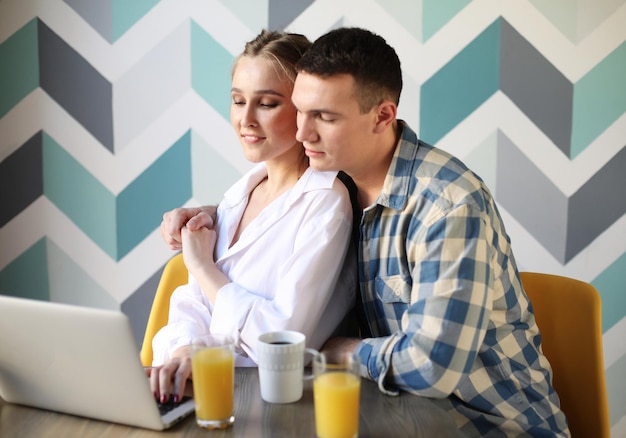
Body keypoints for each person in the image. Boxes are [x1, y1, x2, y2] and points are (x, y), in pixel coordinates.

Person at [162, 27, 570, 437]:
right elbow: (280, 216)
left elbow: (432, 366)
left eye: (325, 116)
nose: (303, 133)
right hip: (394, 418)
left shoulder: (448, 206)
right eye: (301, 111)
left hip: (486, 426)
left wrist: (338, 350)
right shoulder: (342, 183)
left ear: (382, 116)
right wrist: (214, 215)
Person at [149, 29, 357, 405]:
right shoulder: (235, 199)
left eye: (267, 103)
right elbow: (192, 304)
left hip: (269, 403)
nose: (245, 119)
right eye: (238, 100)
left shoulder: (326, 205)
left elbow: (280, 342)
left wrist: (201, 265)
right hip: (205, 390)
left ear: (304, 109)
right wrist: (183, 351)